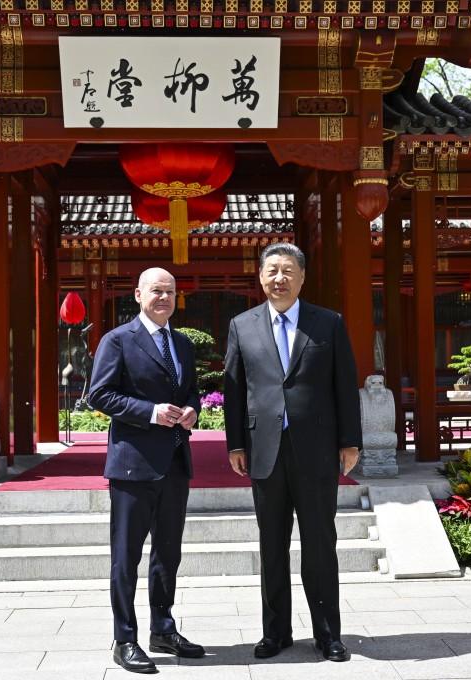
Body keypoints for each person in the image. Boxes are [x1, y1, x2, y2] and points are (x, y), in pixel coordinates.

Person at [224, 242, 362, 663]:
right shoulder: (242, 325)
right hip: (264, 449)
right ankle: (276, 632)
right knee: (272, 544)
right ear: (260, 277)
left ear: (302, 277)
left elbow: (344, 384)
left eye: (287, 271)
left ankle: (328, 634)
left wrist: (349, 441)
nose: (279, 278)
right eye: (272, 271)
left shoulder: (328, 322)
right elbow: (234, 389)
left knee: (319, 542)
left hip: (316, 447)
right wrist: (235, 443)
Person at [88, 268, 204, 674]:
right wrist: (150, 412)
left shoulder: (182, 343)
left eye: (170, 292)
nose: (164, 298)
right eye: (156, 291)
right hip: (133, 465)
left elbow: (191, 391)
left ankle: (163, 629)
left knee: (168, 553)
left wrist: (193, 410)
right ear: (138, 295)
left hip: (175, 461)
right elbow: (99, 394)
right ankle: (125, 638)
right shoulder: (118, 339)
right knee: (126, 557)